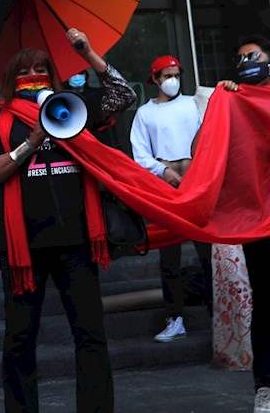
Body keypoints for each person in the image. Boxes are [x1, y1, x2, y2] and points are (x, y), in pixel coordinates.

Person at [0, 36, 133, 413]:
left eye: (41, 69)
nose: (34, 75)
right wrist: (30, 143)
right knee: (19, 339)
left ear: (54, 76)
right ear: (13, 80)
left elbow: (123, 96)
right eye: (25, 71)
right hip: (22, 249)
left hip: (78, 241)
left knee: (91, 335)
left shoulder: (75, 109)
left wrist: (86, 51)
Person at [129, 54, 210, 343]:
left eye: (176, 74)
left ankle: (218, 317)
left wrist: (200, 173)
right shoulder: (145, 113)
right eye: (166, 75)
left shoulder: (194, 104)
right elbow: (139, 154)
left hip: (197, 184)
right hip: (165, 188)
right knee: (169, 256)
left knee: (207, 251)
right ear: (154, 79)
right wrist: (162, 171)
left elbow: (211, 137)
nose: (172, 80)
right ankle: (174, 318)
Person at [219, 35, 270, 412]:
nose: (247, 62)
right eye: (240, 59)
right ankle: (265, 387)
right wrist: (225, 102)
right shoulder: (234, 100)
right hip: (258, 222)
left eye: (253, 56)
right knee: (266, 305)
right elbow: (209, 151)